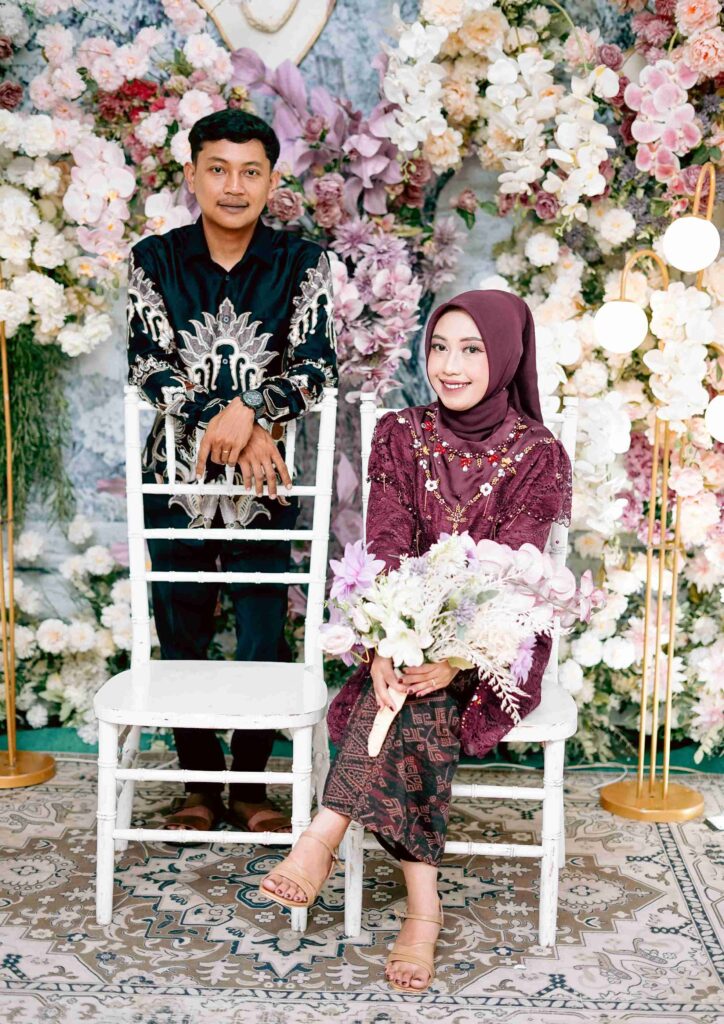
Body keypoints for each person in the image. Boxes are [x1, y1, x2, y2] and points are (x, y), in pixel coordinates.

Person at [258, 290, 572, 992]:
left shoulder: (538, 453)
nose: (450, 366)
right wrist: (383, 640)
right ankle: (423, 911)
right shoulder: (400, 432)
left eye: (472, 350)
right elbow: (386, 542)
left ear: (507, 356)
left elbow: (513, 576)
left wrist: (455, 656)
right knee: (408, 690)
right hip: (402, 625)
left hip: (495, 641)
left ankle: (323, 836)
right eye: (439, 347)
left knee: (421, 694)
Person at [125, 109, 337, 836]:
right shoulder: (154, 259)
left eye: (251, 172)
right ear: (192, 175)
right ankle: (198, 786)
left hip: (265, 486)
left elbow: (317, 367)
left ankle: (249, 787)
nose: (234, 186)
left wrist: (250, 410)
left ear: (273, 181)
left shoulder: (303, 263)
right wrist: (233, 421)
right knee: (180, 628)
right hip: (175, 480)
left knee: (261, 634)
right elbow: (147, 367)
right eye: (218, 169)